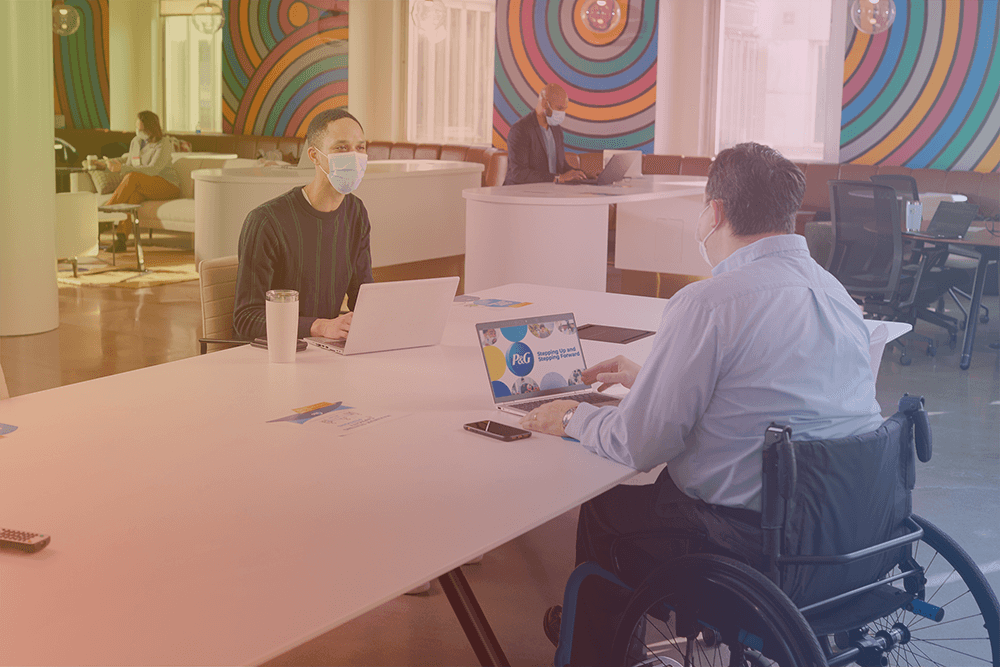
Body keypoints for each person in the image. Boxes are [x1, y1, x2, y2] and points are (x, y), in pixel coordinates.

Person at [518, 142, 884, 664]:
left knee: (606, 510)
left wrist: (573, 414)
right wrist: (654, 381)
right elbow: (776, 394)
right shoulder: (836, 294)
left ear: (714, 212)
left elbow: (639, 445)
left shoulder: (710, 302)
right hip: (843, 529)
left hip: (744, 543)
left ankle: (595, 647)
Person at [233, 108, 373, 342]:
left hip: (325, 351)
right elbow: (246, 318)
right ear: (314, 155)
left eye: (360, 148)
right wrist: (319, 327)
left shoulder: (356, 213)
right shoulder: (266, 221)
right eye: (341, 148)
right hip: (274, 354)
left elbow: (364, 298)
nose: (354, 156)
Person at [94, 111, 181, 251]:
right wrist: (112, 166)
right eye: (137, 128)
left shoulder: (164, 144)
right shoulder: (135, 142)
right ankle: (121, 239)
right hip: (144, 185)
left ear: (151, 129)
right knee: (133, 198)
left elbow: (153, 170)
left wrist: (123, 168)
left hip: (167, 185)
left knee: (133, 177)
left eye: (142, 130)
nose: (138, 132)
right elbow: (129, 166)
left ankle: (103, 217)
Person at [502, 83, 588, 185]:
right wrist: (558, 178)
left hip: (549, 192)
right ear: (545, 104)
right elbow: (519, 173)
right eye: (560, 108)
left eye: (564, 109)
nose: (562, 113)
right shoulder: (520, 130)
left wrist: (583, 175)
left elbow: (560, 165)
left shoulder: (556, 130)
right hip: (522, 194)